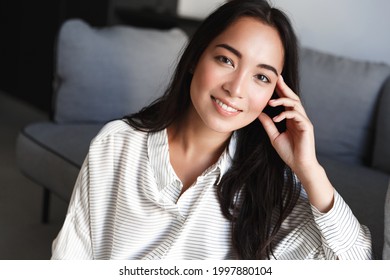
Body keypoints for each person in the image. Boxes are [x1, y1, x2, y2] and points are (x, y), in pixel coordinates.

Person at [51, 0, 372, 260]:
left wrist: (310, 171)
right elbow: (70, 258)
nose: (236, 89)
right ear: (195, 58)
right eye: (226, 60)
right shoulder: (116, 144)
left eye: (261, 77)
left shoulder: (270, 188)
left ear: (275, 95)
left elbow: (356, 263)